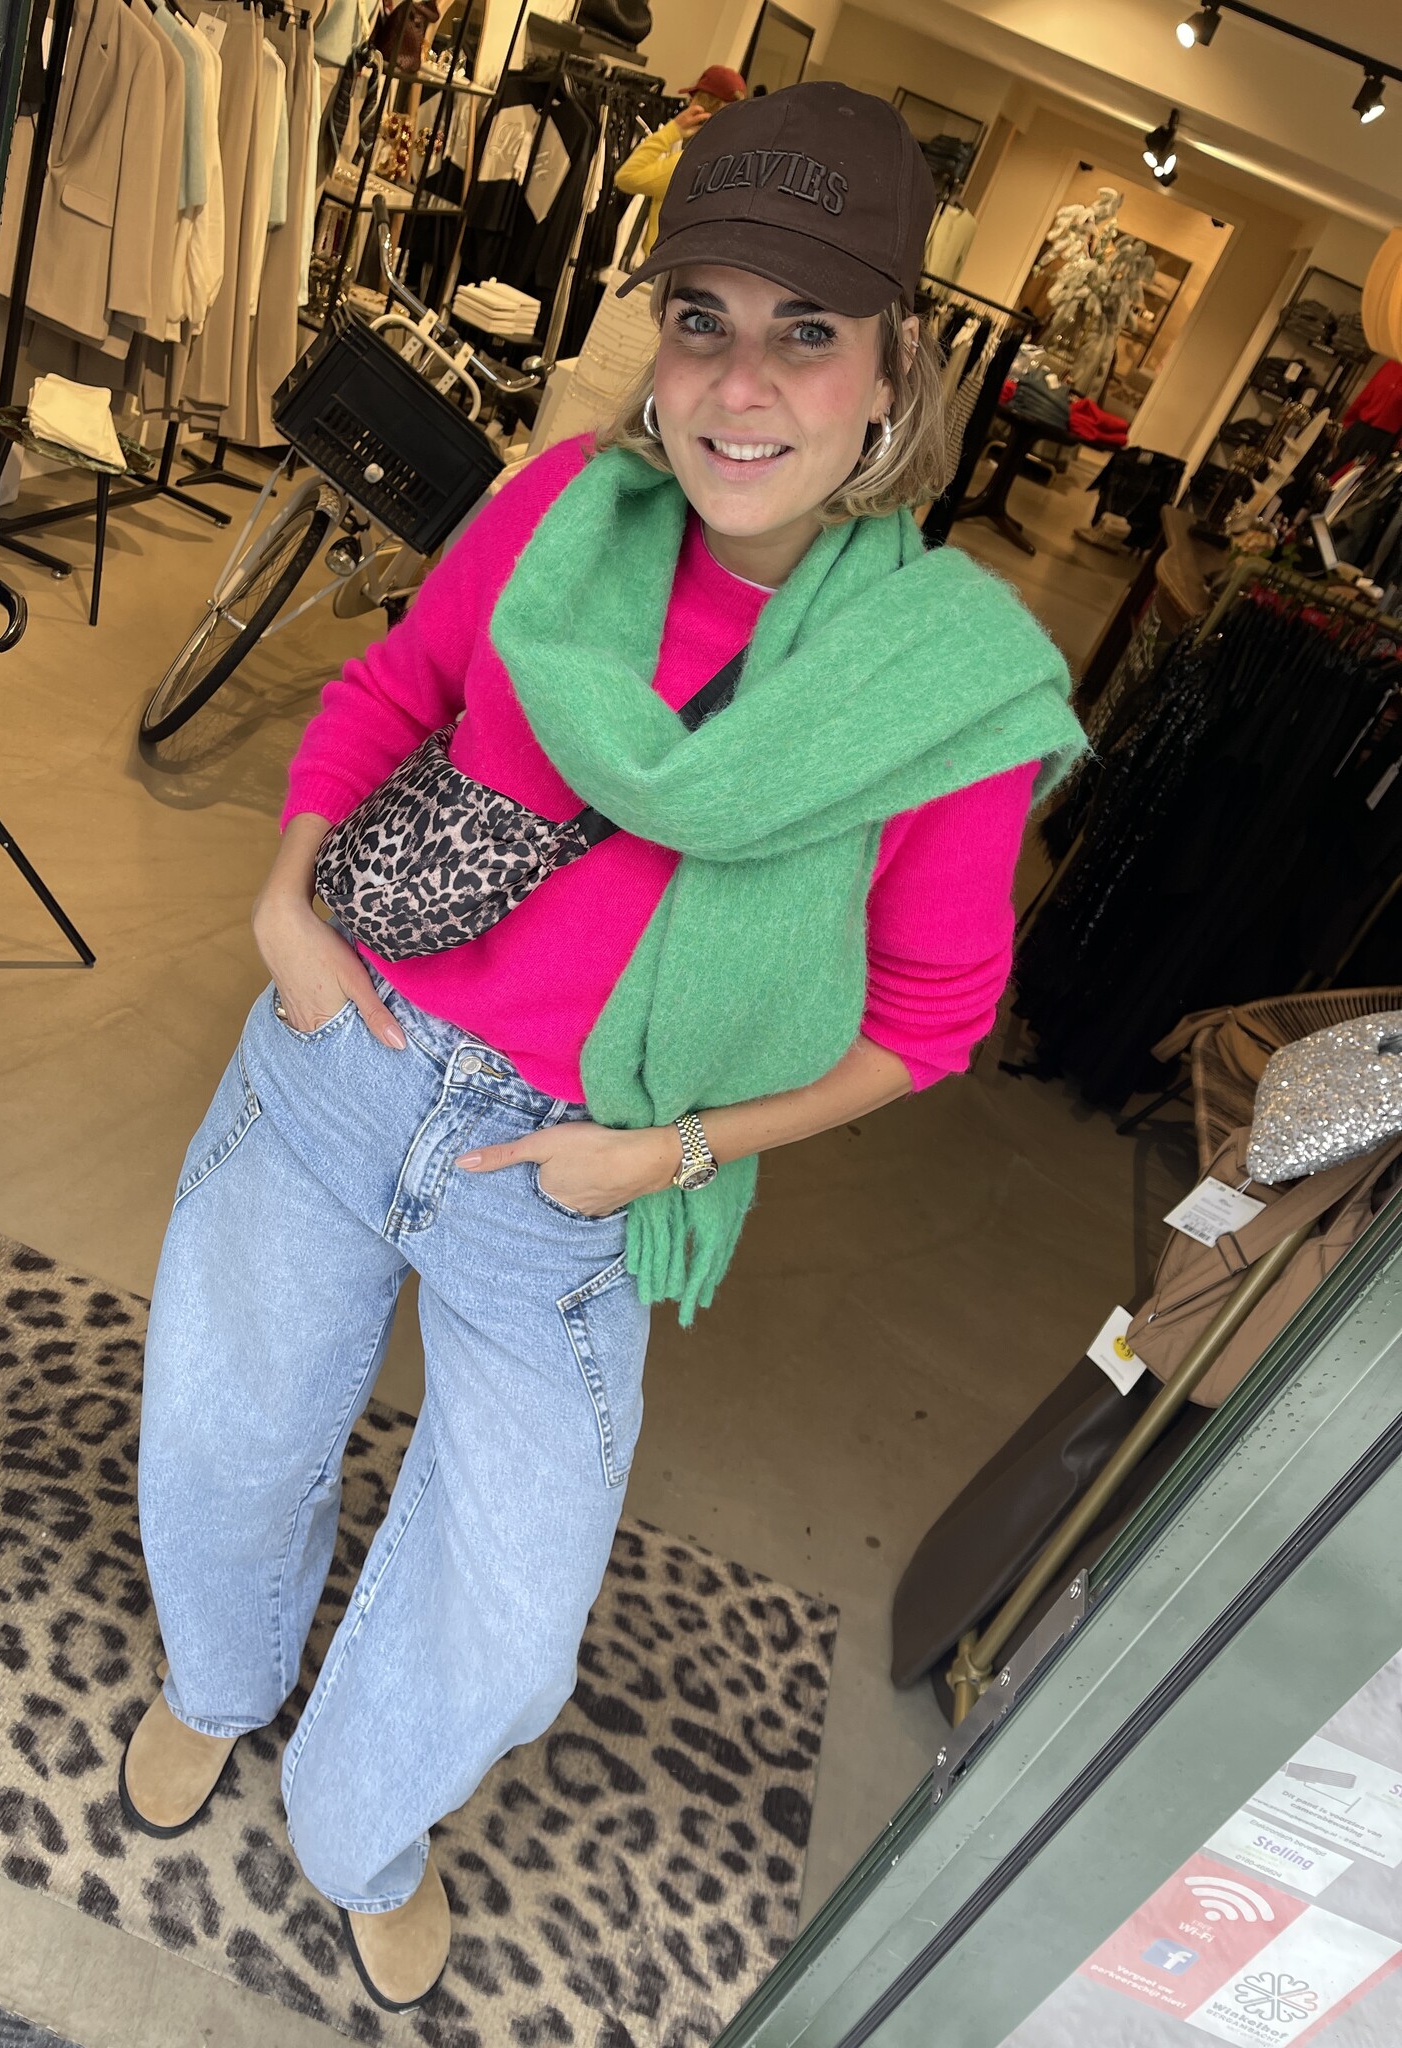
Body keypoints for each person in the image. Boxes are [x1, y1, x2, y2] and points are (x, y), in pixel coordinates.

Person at [124, 80, 1086, 2016]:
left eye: (807, 331)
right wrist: (286, 900)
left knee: (510, 1609)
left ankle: (362, 1819)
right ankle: (216, 1676)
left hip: (575, 1174)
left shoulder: (950, 688)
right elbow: (395, 688)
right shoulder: (566, 511)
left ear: (897, 370)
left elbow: (925, 1025)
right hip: (345, 1052)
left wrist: (672, 1154)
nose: (741, 384)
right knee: (220, 1429)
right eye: (703, 316)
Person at [613, 63, 746, 259]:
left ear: (702, 105)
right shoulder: (738, 161)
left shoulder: (692, 163)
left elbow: (626, 177)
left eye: (694, 98)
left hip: (664, 264)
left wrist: (673, 130)